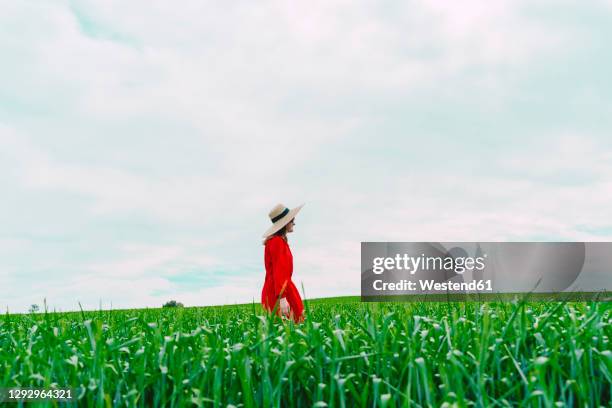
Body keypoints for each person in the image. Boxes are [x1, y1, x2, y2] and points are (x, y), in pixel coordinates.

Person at [261, 203, 305, 323]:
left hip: (276, 289)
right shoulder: (277, 242)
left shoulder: (275, 241)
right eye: (292, 220)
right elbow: (279, 270)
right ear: (285, 223)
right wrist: (282, 297)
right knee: (293, 327)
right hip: (279, 291)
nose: (294, 223)